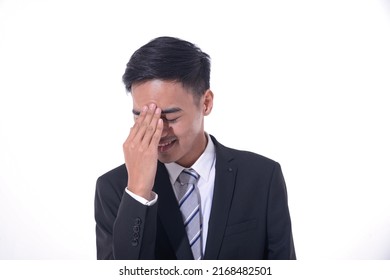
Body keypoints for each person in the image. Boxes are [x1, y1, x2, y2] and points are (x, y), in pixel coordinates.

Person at [94, 36, 296, 260]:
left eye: (169, 116)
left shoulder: (262, 177)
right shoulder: (115, 188)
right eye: (143, 118)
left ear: (206, 102)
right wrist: (139, 192)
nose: (157, 131)